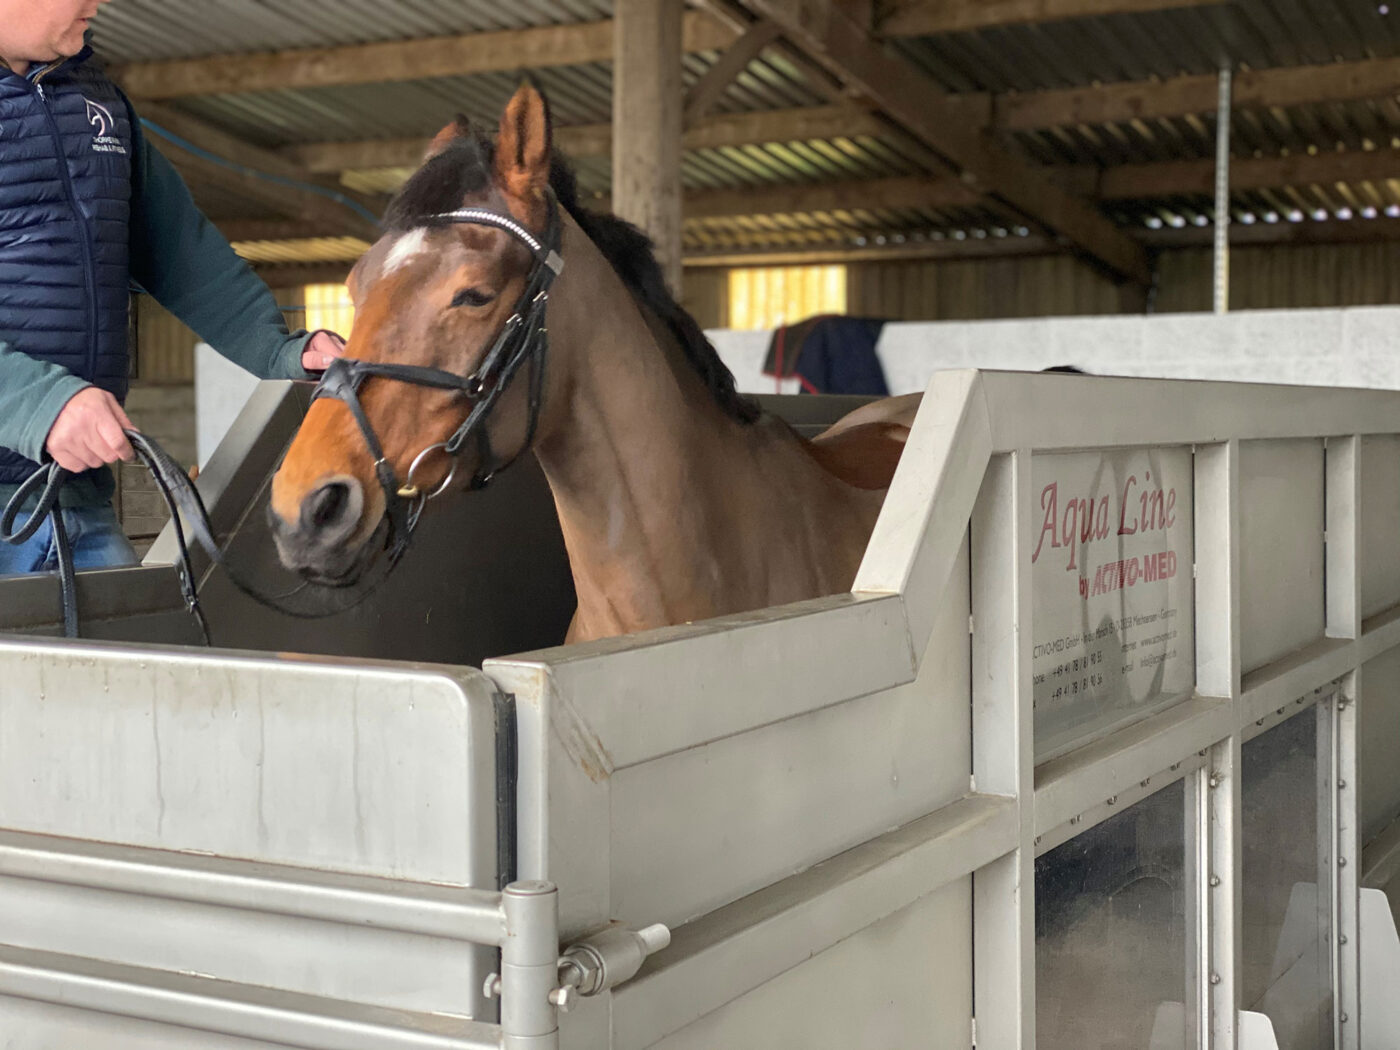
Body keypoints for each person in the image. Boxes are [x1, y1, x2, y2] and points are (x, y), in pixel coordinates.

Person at [0, 0, 347, 574]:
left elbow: (177, 248)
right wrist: (40, 404)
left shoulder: (95, 100)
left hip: (76, 502)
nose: (98, 3)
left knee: (128, 657)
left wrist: (279, 348)